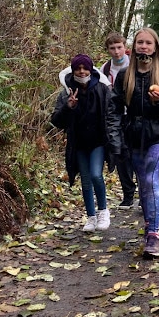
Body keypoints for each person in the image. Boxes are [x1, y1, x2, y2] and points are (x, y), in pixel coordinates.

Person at [108, 28, 159, 258]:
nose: (144, 46)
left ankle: (154, 234)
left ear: (155, 47)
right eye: (140, 42)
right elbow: (114, 110)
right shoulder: (124, 76)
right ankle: (150, 224)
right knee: (143, 184)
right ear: (134, 46)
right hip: (133, 135)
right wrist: (115, 140)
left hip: (158, 134)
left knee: (150, 179)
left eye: (148, 43)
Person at [52, 54, 113, 232]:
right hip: (78, 143)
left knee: (96, 175)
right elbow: (56, 120)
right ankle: (91, 217)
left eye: (85, 68)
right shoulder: (66, 92)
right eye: (78, 68)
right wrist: (68, 107)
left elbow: (112, 113)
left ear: (91, 69)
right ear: (73, 70)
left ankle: (103, 211)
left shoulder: (102, 89)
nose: (81, 71)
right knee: (85, 181)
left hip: (98, 142)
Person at [100, 33, 136, 209]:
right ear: (108, 50)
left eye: (119, 47)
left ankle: (145, 193)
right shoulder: (104, 69)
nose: (116, 51)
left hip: (135, 115)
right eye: (112, 48)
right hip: (116, 117)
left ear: (125, 46)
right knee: (121, 155)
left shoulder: (135, 64)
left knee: (138, 155)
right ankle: (128, 195)